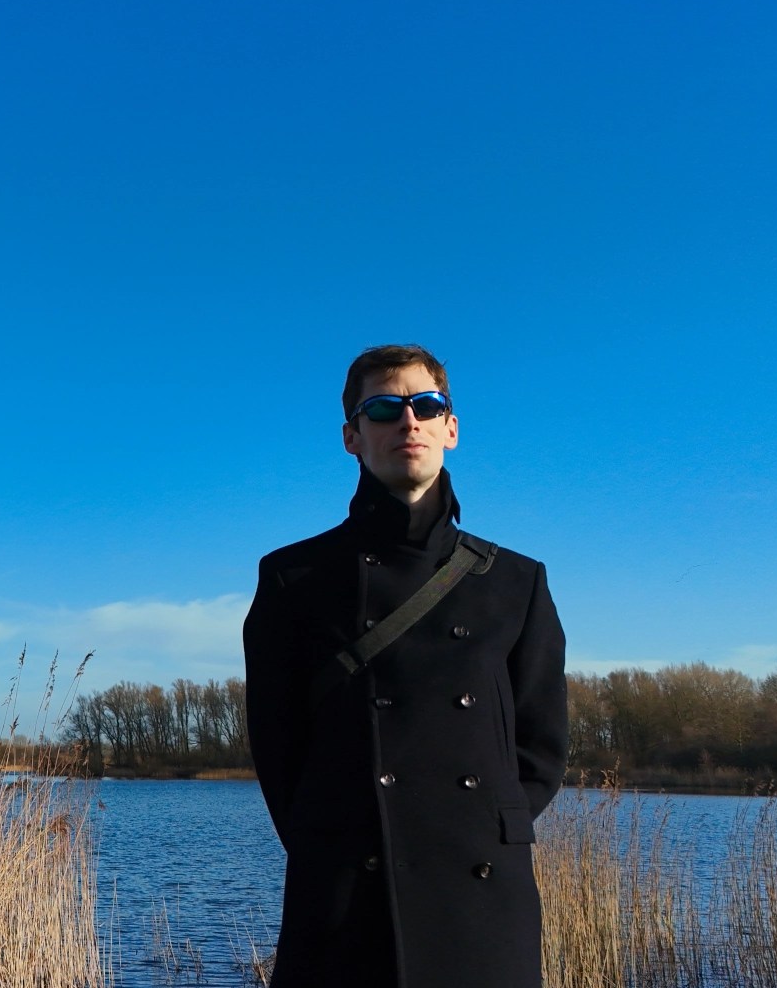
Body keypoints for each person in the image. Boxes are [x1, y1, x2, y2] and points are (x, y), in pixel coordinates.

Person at [242, 343, 567, 988]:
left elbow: (542, 746)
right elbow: (278, 749)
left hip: (480, 899)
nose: (407, 422)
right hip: (344, 897)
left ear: (451, 428)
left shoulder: (516, 582)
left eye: (426, 405)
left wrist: (485, 829)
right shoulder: (292, 578)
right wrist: (333, 838)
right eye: (385, 408)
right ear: (352, 437)